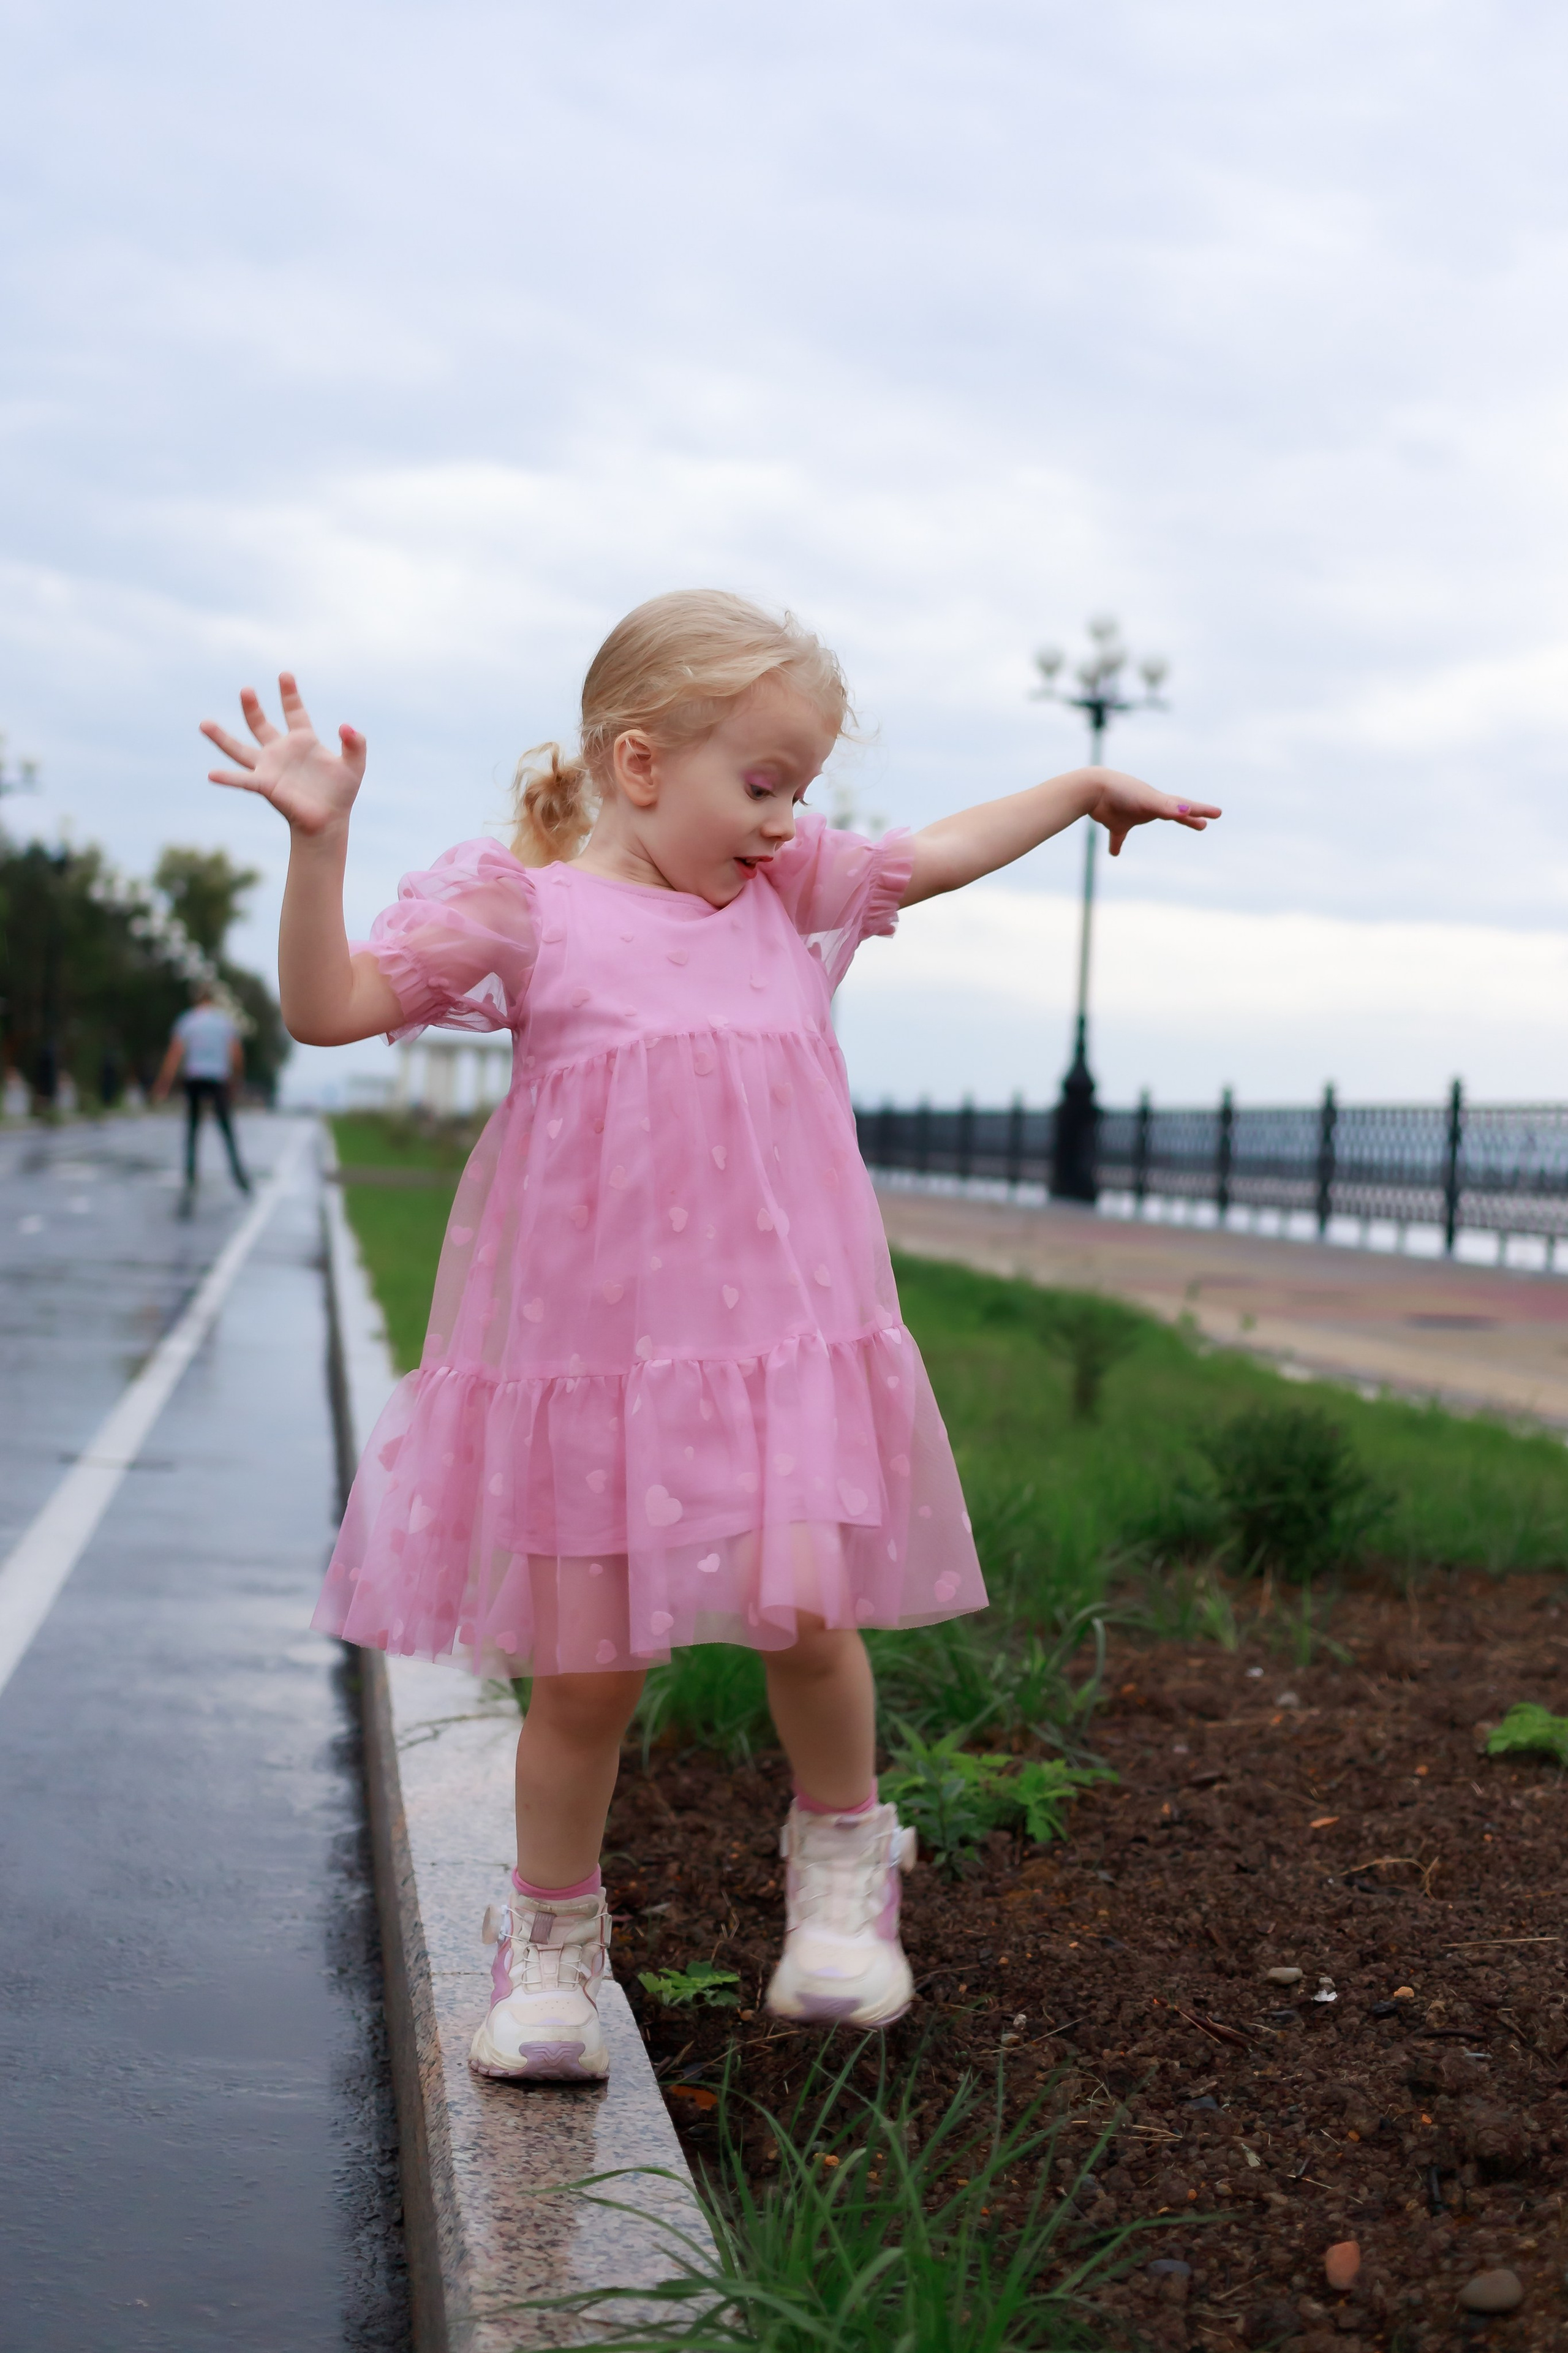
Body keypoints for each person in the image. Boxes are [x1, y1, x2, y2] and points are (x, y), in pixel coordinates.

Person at [200, 591, 1219, 2085]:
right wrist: (315, 841)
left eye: (798, 788)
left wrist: (1074, 790)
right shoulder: (527, 909)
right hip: (593, 1364)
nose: (784, 818)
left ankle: (841, 1879)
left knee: (808, 1620)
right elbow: (328, 1006)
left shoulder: (783, 892)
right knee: (584, 1673)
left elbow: (928, 856)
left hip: (776, 1348)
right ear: (635, 763)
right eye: (761, 784)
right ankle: (547, 1951)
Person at [153, 985, 252, 1197]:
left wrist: (164, 1084)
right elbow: (236, 1054)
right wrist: (237, 1080)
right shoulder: (223, 1022)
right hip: (217, 1078)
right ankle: (238, 1173)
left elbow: (175, 1055)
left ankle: (190, 1176)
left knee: (193, 1129)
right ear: (212, 1001)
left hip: (195, 1078)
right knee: (226, 1129)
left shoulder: (187, 1021)